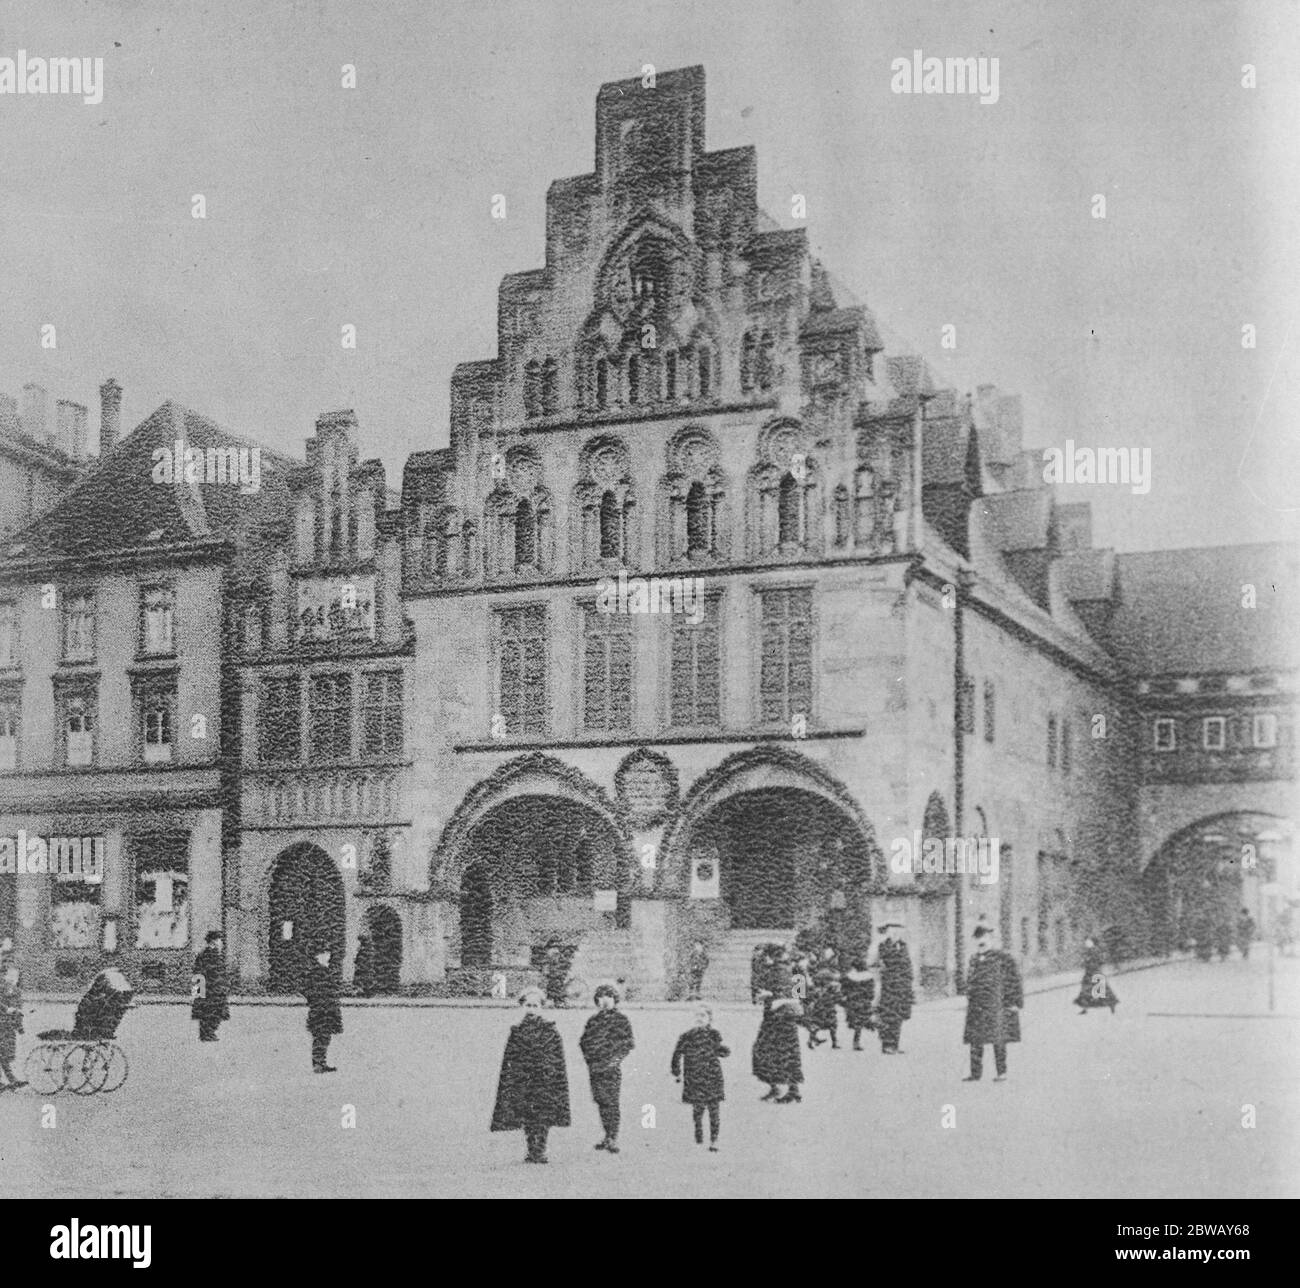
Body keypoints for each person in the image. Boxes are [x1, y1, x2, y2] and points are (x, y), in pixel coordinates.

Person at [491, 985, 571, 1164]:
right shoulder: (517, 1032)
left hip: (544, 1081)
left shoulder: (550, 1031)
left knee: (543, 1116)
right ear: (522, 1006)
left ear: (542, 1007)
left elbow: (556, 1059)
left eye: (536, 1006)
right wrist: (514, 1077)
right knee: (527, 1115)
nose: (532, 1009)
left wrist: (550, 1074)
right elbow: (510, 1059)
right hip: (523, 1081)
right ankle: (531, 1148)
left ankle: (540, 1149)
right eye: (528, 1005)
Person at [578, 983, 635, 1154]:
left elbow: (627, 1044)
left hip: (611, 1069)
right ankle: (606, 1135)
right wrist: (590, 1060)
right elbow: (584, 1042)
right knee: (601, 1101)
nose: (605, 1000)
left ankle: (612, 1137)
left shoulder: (621, 1020)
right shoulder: (593, 1021)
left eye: (609, 996)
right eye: (601, 997)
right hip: (595, 1068)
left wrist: (614, 1061)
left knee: (611, 1102)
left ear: (615, 1000)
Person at [963, 925, 1023, 1081]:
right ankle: (975, 1073)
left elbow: (1014, 980)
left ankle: (1001, 1072)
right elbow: (970, 980)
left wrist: (1015, 1002)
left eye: (985, 939)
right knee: (975, 1040)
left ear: (991, 940)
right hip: (976, 1006)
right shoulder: (974, 959)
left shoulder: (1003, 958)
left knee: (998, 1038)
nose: (981, 942)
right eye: (978, 939)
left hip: (996, 1004)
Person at [671, 1005, 729, 1151]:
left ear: (709, 1019)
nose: (699, 1018)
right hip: (694, 1076)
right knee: (697, 1109)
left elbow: (720, 1050)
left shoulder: (714, 1035)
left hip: (712, 1076)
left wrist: (724, 1051)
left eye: (703, 1016)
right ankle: (698, 1134)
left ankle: (714, 1140)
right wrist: (676, 1071)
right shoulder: (687, 1036)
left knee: (714, 1109)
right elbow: (677, 1054)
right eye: (696, 1015)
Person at [752, 992, 804, 1103]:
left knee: (783, 1051)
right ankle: (778, 1087)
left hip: (785, 1010)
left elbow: (799, 978)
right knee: (764, 1050)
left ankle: (792, 1089)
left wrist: (798, 1000)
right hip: (773, 1010)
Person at [871, 919, 914, 1054]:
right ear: (888, 932)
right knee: (888, 1016)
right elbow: (883, 963)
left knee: (899, 1017)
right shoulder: (883, 946)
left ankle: (895, 1044)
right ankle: (887, 1045)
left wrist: (908, 982)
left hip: (902, 987)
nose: (896, 933)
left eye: (898, 931)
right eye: (893, 931)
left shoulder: (904, 946)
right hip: (888, 986)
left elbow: (908, 964)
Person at [303, 945, 342, 1073]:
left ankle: (322, 1062)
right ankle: (318, 1063)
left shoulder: (326, 970)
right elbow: (307, 989)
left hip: (328, 1009)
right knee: (320, 1036)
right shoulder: (315, 971)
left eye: (328, 954)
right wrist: (316, 1001)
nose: (328, 957)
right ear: (318, 956)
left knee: (325, 1037)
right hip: (320, 1010)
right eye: (324, 954)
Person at [191, 929, 230, 1042]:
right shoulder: (207, 954)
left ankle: (209, 1033)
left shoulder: (214, 954)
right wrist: (196, 992)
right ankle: (206, 1033)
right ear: (213, 941)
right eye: (219, 940)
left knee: (215, 1012)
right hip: (210, 990)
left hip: (216, 989)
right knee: (209, 1012)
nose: (221, 942)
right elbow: (198, 973)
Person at [1074, 935, 1118, 1014]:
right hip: (1090, 973)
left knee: (1100, 990)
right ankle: (1085, 1008)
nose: (1086, 943)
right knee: (1087, 991)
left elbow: (1099, 960)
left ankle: (1111, 1005)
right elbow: (1086, 961)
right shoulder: (1089, 951)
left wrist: (1091, 963)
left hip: (1095, 972)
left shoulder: (1095, 951)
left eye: (1088, 942)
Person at [841, 956, 877, 1050]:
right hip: (863, 1001)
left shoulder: (849, 976)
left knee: (856, 1021)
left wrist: (847, 997)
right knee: (862, 1019)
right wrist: (869, 998)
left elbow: (844, 989)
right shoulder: (868, 977)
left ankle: (856, 1041)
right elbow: (871, 991)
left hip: (852, 1001)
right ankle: (857, 1040)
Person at [0, 963, 26, 1091]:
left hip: (9, 1026)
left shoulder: (17, 991)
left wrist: (19, 1026)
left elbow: (18, 1011)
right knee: (2, 1053)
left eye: (15, 975)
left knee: (5, 1054)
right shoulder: (1, 987)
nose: (12, 978)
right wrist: (6, 1009)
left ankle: (12, 1080)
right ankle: (12, 1080)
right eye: (10, 975)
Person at [804, 964, 842, 1049]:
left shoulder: (816, 989)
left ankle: (810, 1041)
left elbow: (811, 998)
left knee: (817, 1026)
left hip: (819, 1010)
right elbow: (837, 997)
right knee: (833, 1026)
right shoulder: (831, 988)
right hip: (828, 1009)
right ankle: (834, 1043)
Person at [542, 942, 567, 1008]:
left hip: (558, 982)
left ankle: (559, 1002)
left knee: (559, 990)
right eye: (554, 955)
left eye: (557, 955)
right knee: (550, 991)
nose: (556, 957)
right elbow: (545, 973)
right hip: (551, 981)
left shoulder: (560, 964)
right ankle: (551, 1002)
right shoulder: (548, 965)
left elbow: (563, 973)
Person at [353, 931, 376, 997]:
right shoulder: (366, 949)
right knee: (364, 978)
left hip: (364, 967)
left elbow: (361, 959)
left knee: (364, 978)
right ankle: (363, 991)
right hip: (364, 968)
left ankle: (365, 991)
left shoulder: (366, 949)